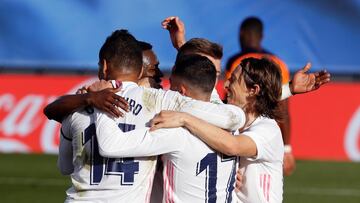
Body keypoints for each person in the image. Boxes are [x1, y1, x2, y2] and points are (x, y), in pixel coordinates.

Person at [56, 29, 246, 202]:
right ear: (140, 71)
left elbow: (65, 167)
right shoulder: (160, 104)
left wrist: (91, 100)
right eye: (154, 69)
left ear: (105, 67)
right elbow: (232, 116)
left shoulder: (77, 106)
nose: (159, 77)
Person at [149, 57, 331, 203]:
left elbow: (233, 146)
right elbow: (200, 88)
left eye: (233, 80)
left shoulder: (268, 130)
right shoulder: (231, 120)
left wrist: (184, 118)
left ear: (253, 90)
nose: (226, 86)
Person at [93, 54, 240, 202]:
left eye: (171, 86)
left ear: (181, 92)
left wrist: (100, 102)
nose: (167, 91)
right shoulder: (234, 131)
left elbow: (110, 146)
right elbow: (234, 115)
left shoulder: (175, 133)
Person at [226, 16, 295, 175]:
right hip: (269, 140)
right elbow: (283, 109)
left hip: (240, 135)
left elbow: (230, 101)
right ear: (261, 36)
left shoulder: (236, 61)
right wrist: (287, 148)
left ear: (241, 34)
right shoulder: (278, 63)